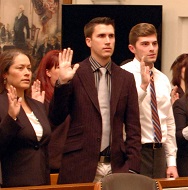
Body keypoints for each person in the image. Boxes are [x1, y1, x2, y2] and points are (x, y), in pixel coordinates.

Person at [48, 17, 141, 184]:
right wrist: (62, 83)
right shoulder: (75, 73)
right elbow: (56, 118)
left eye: (111, 36)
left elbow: (134, 127)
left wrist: (132, 166)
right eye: (101, 36)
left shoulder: (126, 78)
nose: (108, 41)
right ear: (88, 41)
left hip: (117, 166)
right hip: (79, 165)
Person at [121, 23, 178, 178]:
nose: (152, 48)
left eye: (154, 43)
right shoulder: (124, 75)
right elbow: (123, 112)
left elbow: (168, 121)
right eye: (145, 44)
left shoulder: (163, 78)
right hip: (134, 150)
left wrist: (171, 161)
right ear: (132, 48)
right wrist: (143, 87)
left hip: (159, 152)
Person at [0, 49, 51, 187]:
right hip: (14, 183)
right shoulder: (1, 104)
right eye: (20, 68)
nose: (27, 73)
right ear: (5, 73)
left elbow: (43, 148)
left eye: (29, 68)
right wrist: (11, 118)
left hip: (42, 182)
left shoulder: (37, 105)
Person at [35, 50, 69, 173]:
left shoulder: (71, 94)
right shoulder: (39, 97)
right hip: (50, 163)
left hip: (70, 161)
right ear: (48, 72)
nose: (65, 70)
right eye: (59, 67)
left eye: (67, 66)